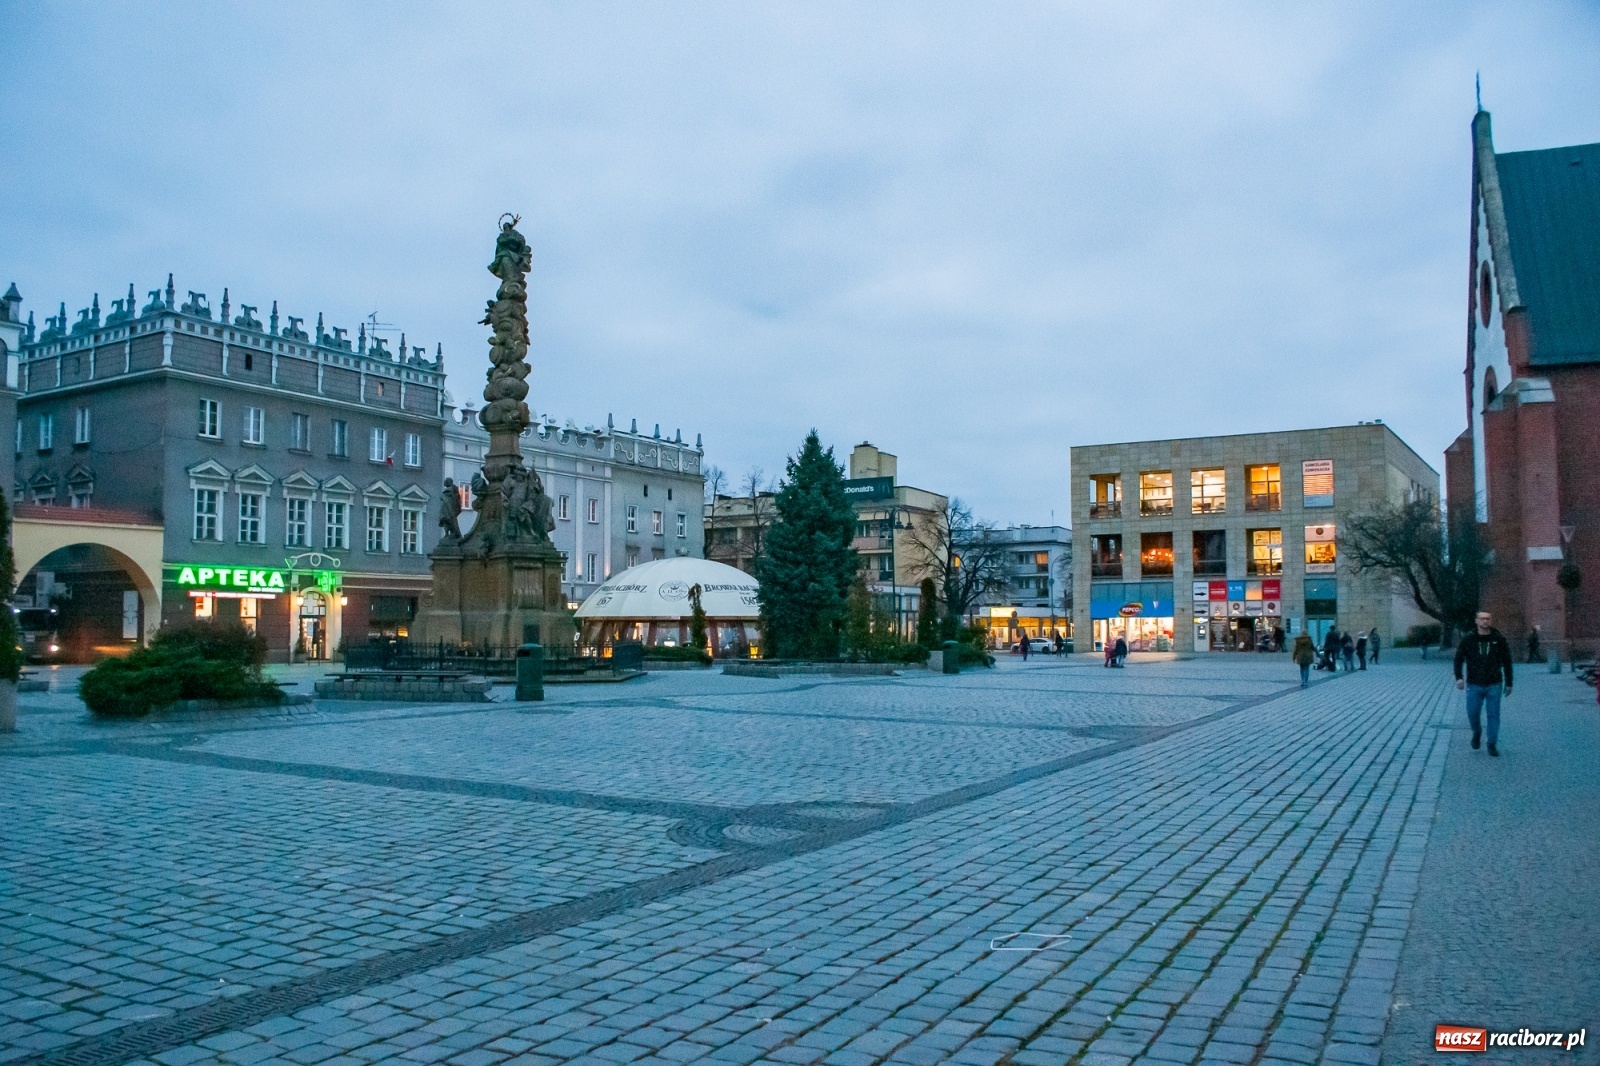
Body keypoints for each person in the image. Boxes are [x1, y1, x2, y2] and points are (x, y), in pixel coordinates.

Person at [1454, 610, 1513, 756]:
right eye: (1482, 619)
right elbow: (1458, 659)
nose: (1485, 621)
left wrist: (1509, 682)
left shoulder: (1498, 639)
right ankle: (1476, 731)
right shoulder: (1468, 639)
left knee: (1493, 714)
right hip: (1474, 684)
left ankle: (1491, 743)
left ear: (1491, 620)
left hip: (1494, 683)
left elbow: (1507, 661)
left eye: (1487, 619)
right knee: (1472, 712)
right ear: (1476, 621)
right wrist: (1459, 677)